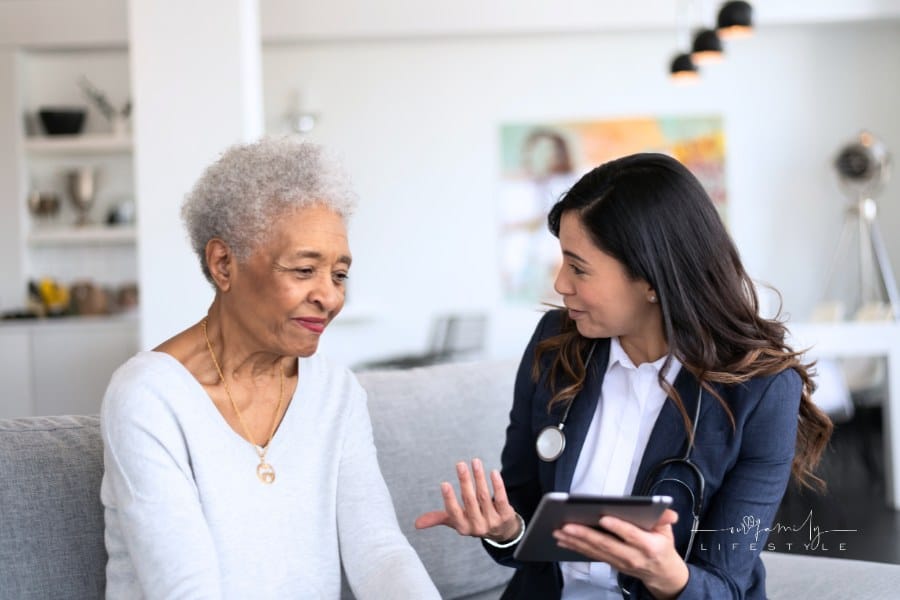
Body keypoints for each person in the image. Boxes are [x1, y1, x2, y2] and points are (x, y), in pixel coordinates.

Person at [416, 152, 833, 598]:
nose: (560, 284)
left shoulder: (761, 391)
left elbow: (727, 582)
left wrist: (667, 574)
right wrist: (505, 528)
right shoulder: (554, 344)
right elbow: (524, 521)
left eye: (578, 267)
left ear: (652, 280)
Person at [100, 137, 439, 599]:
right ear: (223, 264)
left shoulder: (335, 391)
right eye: (303, 271)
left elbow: (379, 552)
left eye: (339, 274)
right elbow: (185, 589)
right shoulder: (148, 397)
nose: (331, 297)